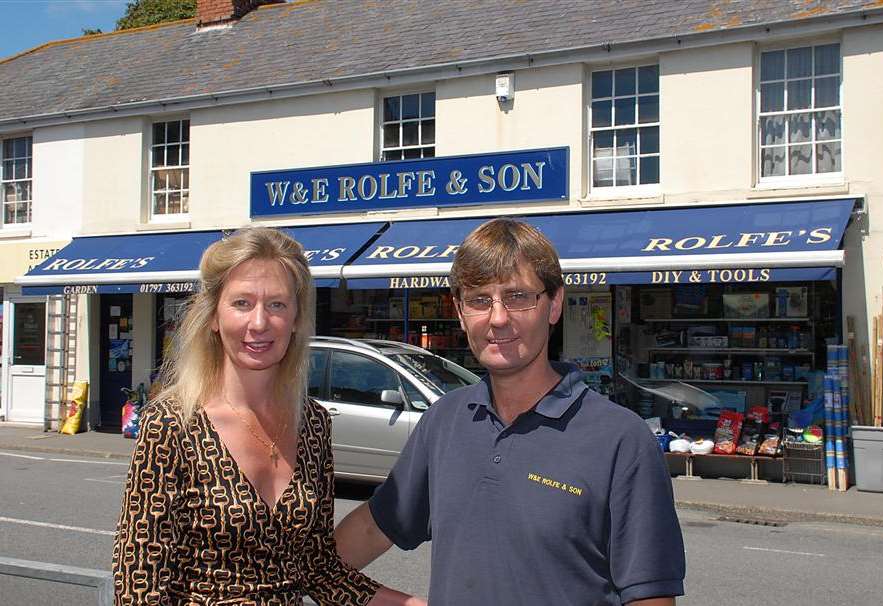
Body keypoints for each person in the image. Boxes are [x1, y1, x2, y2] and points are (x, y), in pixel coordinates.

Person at [335, 218, 686, 605]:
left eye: (518, 297)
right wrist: (281, 580)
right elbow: (372, 529)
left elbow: (650, 598)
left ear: (554, 305)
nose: (498, 318)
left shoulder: (621, 440)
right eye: (479, 300)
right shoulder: (444, 422)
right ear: (460, 311)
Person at [112, 227, 424, 606]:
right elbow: (139, 584)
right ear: (213, 315)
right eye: (242, 303)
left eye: (277, 304)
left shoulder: (314, 425)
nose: (259, 323)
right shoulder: (172, 423)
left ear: (296, 318)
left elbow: (318, 569)